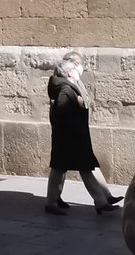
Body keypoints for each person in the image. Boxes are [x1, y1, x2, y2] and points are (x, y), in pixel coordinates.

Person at [45, 54, 122, 214]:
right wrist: (78, 107)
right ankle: (52, 203)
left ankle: (101, 201)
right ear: (69, 73)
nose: (79, 70)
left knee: (82, 168)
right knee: (63, 169)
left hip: (73, 137)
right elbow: (61, 113)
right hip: (69, 138)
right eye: (75, 68)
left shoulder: (69, 86)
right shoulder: (66, 89)